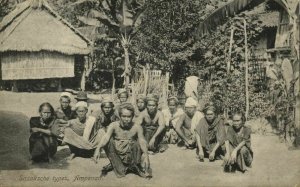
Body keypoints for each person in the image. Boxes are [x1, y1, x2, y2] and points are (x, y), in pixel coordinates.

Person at [93, 103, 151, 178]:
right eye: (124, 116)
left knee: (139, 142)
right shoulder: (113, 125)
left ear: (132, 116)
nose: (126, 119)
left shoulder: (137, 127)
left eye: (129, 116)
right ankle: (116, 164)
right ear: (119, 116)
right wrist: (98, 149)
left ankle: (135, 166)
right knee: (109, 141)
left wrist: (146, 155)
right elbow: (106, 137)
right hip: (117, 154)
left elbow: (142, 141)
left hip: (132, 155)